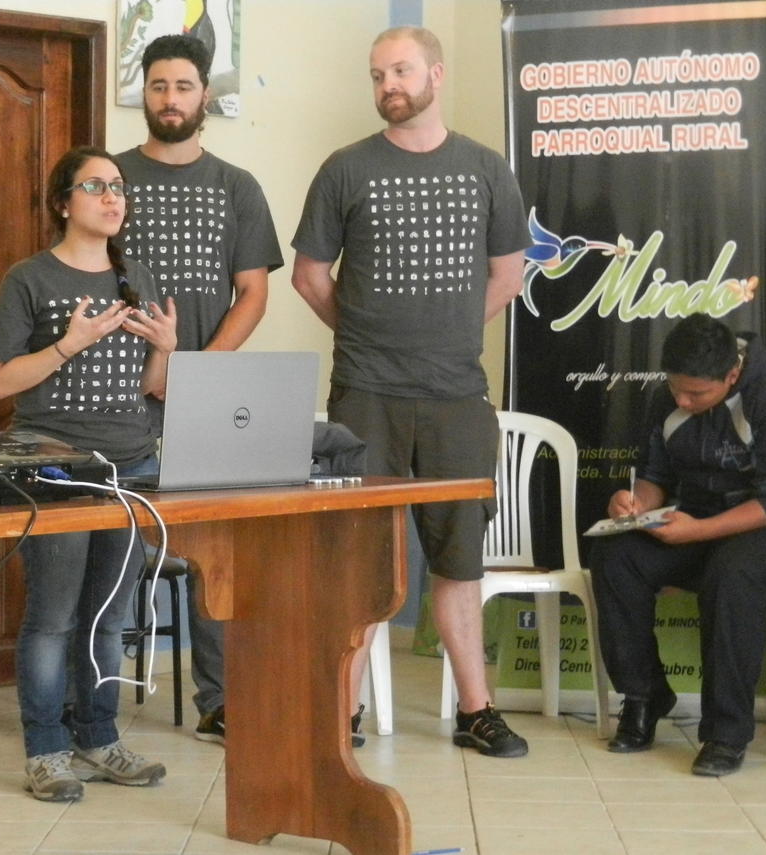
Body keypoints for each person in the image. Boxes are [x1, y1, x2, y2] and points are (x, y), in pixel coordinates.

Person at [291, 26, 530, 757]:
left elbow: (508, 275)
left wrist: (448, 333)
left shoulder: (488, 169)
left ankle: (476, 710)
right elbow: (309, 275)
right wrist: (367, 336)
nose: (387, 84)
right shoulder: (344, 169)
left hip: (458, 396)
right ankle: (344, 711)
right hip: (367, 395)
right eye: (376, 74)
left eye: (399, 70)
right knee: (358, 559)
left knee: (460, 560)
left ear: (435, 73)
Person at [0, 145, 178, 801]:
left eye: (119, 186)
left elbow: (151, 388)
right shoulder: (29, 279)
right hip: (55, 465)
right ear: (64, 202)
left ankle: (98, 738)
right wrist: (69, 343)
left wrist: (166, 352)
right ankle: (46, 751)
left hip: (131, 462)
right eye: (96, 185)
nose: (113, 196)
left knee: (111, 613)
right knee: (55, 616)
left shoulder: (137, 276)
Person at [115, 33, 284, 745]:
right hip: (117, 395)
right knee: (110, 546)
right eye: (158, 86)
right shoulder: (110, 177)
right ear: (144, 94)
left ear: (203, 96)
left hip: (211, 395)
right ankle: (90, 700)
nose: (170, 99)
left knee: (217, 554)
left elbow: (253, 292)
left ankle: (220, 699)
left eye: (183, 86)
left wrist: (203, 371)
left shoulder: (236, 187)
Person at [590, 313, 766, 777]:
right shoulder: (666, 399)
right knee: (616, 554)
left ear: (732, 375)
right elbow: (655, 476)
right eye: (676, 390)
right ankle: (645, 696)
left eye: (697, 394)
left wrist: (697, 532)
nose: (683, 401)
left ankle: (727, 733)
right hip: (696, 521)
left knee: (733, 572)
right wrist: (633, 506)